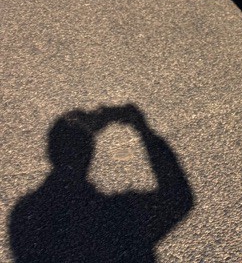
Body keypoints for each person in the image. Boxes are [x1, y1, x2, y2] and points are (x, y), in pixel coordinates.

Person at [8, 104, 194, 263]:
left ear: (50, 152)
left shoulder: (26, 217)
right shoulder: (117, 217)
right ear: (90, 154)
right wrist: (142, 128)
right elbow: (179, 197)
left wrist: (74, 125)